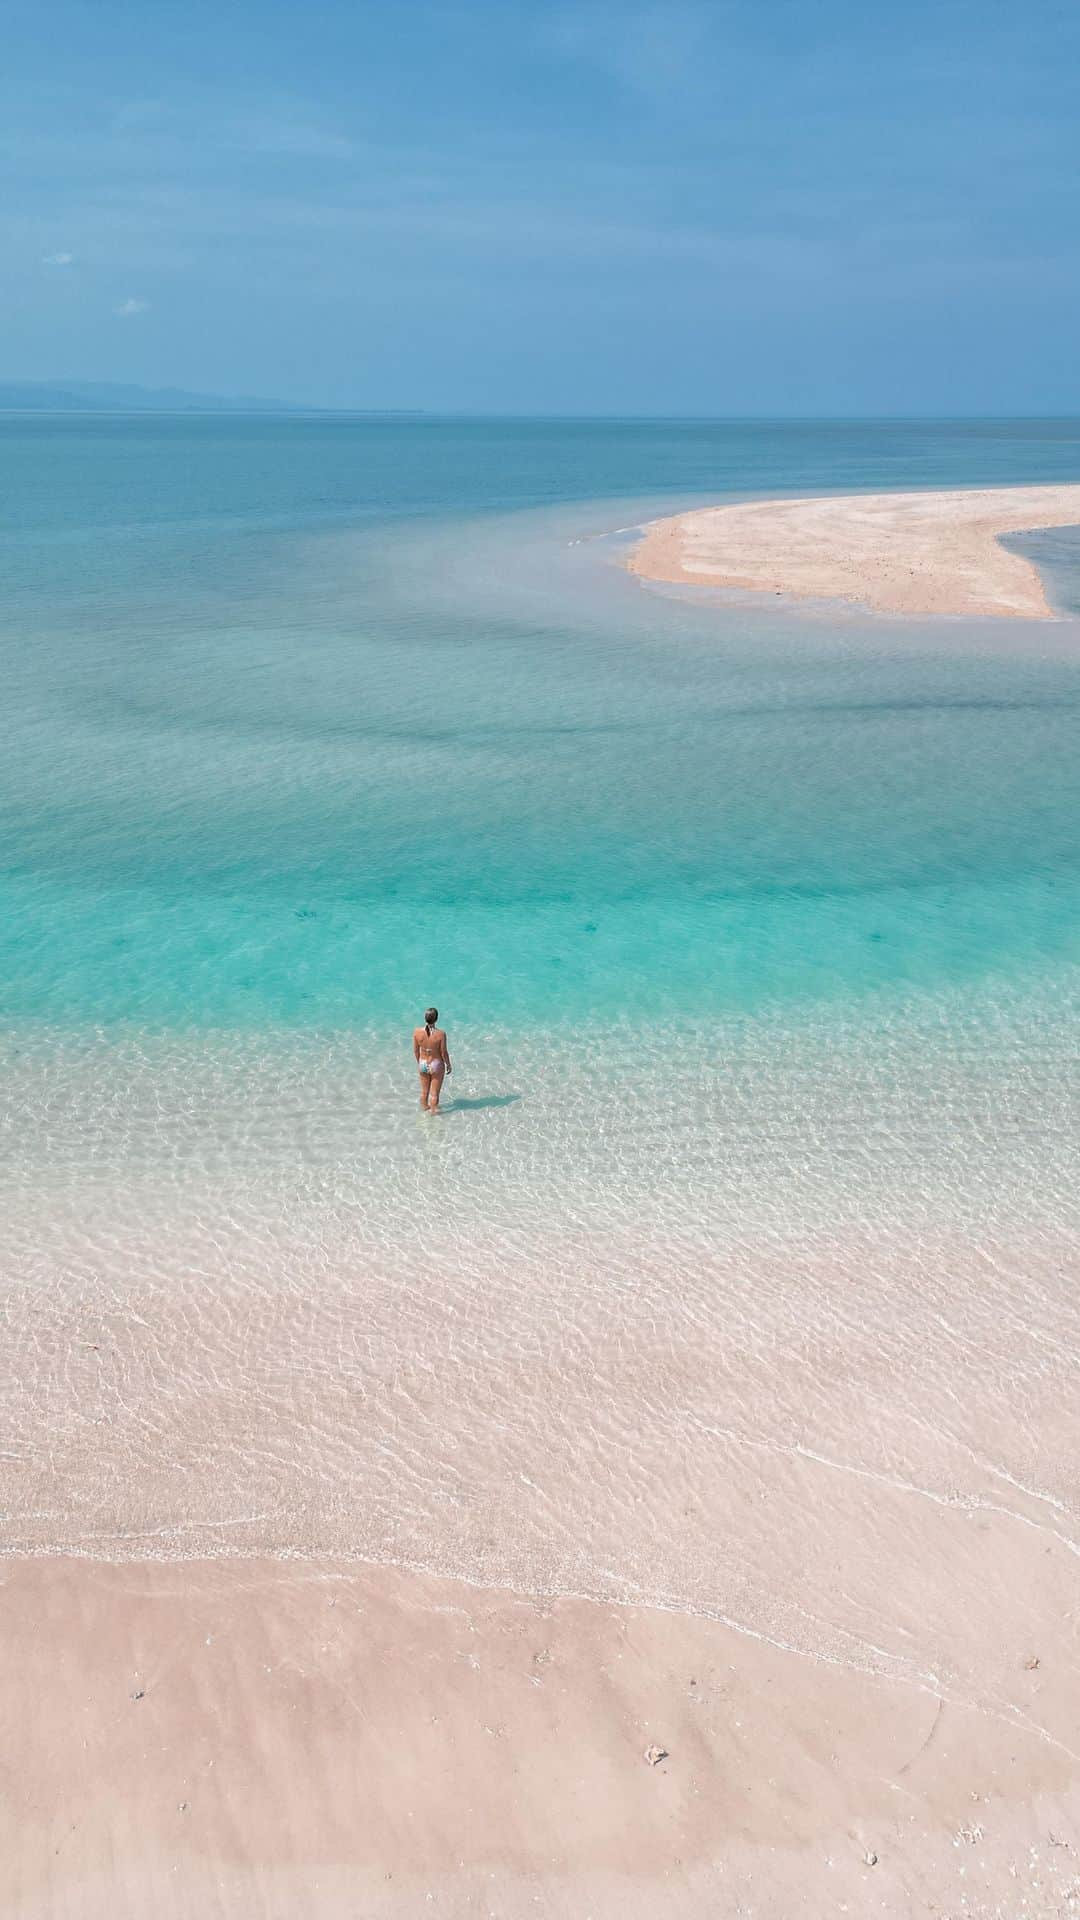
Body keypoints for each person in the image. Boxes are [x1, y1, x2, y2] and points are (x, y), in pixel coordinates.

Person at [413, 1007, 451, 1111]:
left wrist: (419, 1063)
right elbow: (444, 1052)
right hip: (436, 1064)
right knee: (434, 1094)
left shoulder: (417, 1032)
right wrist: (448, 1064)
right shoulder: (441, 1034)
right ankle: (434, 1115)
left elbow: (416, 1051)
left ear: (425, 1018)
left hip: (422, 1063)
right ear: (436, 1019)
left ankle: (424, 1111)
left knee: (424, 1092)